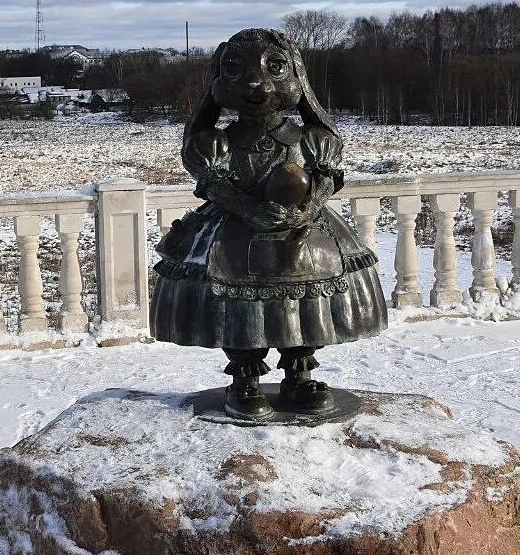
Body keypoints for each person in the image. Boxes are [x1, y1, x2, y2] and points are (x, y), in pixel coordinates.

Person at [150, 28, 387, 420]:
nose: (255, 82)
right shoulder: (215, 144)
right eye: (235, 70)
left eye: (275, 67)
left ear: (296, 77)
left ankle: (300, 372)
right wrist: (249, 208)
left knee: (305, 301)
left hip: (303, 231)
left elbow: (325, 178)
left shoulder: (311, 138)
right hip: (232, 233)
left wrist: (310, 205)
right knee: (238, 305)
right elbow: (213, 184)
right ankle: (244, 380)